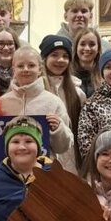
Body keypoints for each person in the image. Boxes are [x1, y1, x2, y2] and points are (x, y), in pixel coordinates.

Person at [0, 47, 75, 171]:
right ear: (14, 70)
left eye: (31, 65)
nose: (26, 69)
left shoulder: (53, 102)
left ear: (40, 69)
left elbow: (64, 147)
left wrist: (58, 129)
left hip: (44, 172)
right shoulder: (3, 102)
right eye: (20, 66)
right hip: (9, 172)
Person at [40, 34, 86, 173]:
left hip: (72, 160)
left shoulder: (78, 94)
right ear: (45, 58)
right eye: (54, 55)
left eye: (65, 56)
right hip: (43, 158)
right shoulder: (37, 91)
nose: (60, 60)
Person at [71, 27, 103, 98]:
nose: (87, 48)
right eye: (82, 44)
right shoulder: (67, 73)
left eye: (92, 44)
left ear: (98, 48)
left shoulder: (104, 74)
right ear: (76, 47)